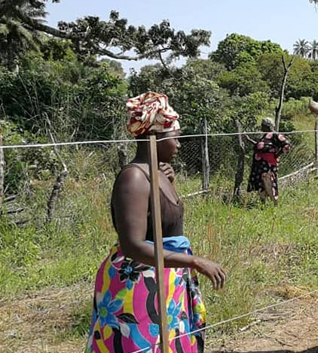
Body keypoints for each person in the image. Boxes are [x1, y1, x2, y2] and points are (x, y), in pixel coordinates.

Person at [85, 92, 227, 353]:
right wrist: (195, 262)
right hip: (140, 287)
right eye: (175, 138)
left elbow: (162, 219)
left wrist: (168, 182)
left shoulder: (158, 172)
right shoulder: (134, 179)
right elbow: (132, 245)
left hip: (164, 280)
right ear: (156, 137)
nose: (179, 145)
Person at [246, 117, 291, 204]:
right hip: (260, 165)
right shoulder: (265, 136)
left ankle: (275, 202)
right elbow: (262, 147)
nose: (261, 127)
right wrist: (249, 140)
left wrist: (277, 155)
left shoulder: (275, 135)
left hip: (268, 165)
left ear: (267, 126)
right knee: (261, 182)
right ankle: (263, 203)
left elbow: (286, 145)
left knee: (268, 182)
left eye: (262, 125)